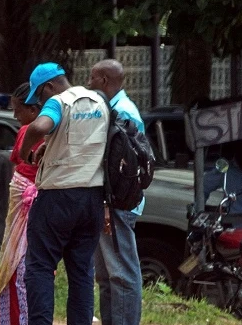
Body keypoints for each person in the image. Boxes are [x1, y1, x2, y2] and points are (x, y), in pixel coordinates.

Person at [17, 62, 110, 325]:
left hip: (57, 198)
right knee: (81, 271)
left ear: (49, 86)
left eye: (39, 94)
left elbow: (39, 126)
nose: (39, 100)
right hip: (92, 198)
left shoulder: (58, 102)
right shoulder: (100, 101)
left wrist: (26, 151)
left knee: (40, 267)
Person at [87, 60, 142, 325]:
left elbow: (118, 170)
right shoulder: (115, 109)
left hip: (117, 204)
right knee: (107, 275)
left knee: (121, 274)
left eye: (92, 78)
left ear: (104, 81)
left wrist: (109, 205)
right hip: (112, 203)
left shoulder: (122, 113)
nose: (89, 84)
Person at [0, 82, 44, 325]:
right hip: (33, 207)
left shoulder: (28, 132)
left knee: (20, 269)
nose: (15, 116)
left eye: (18, 110)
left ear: (34, 111)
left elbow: (19, 162)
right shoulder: (53, 133)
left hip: (28, 207)